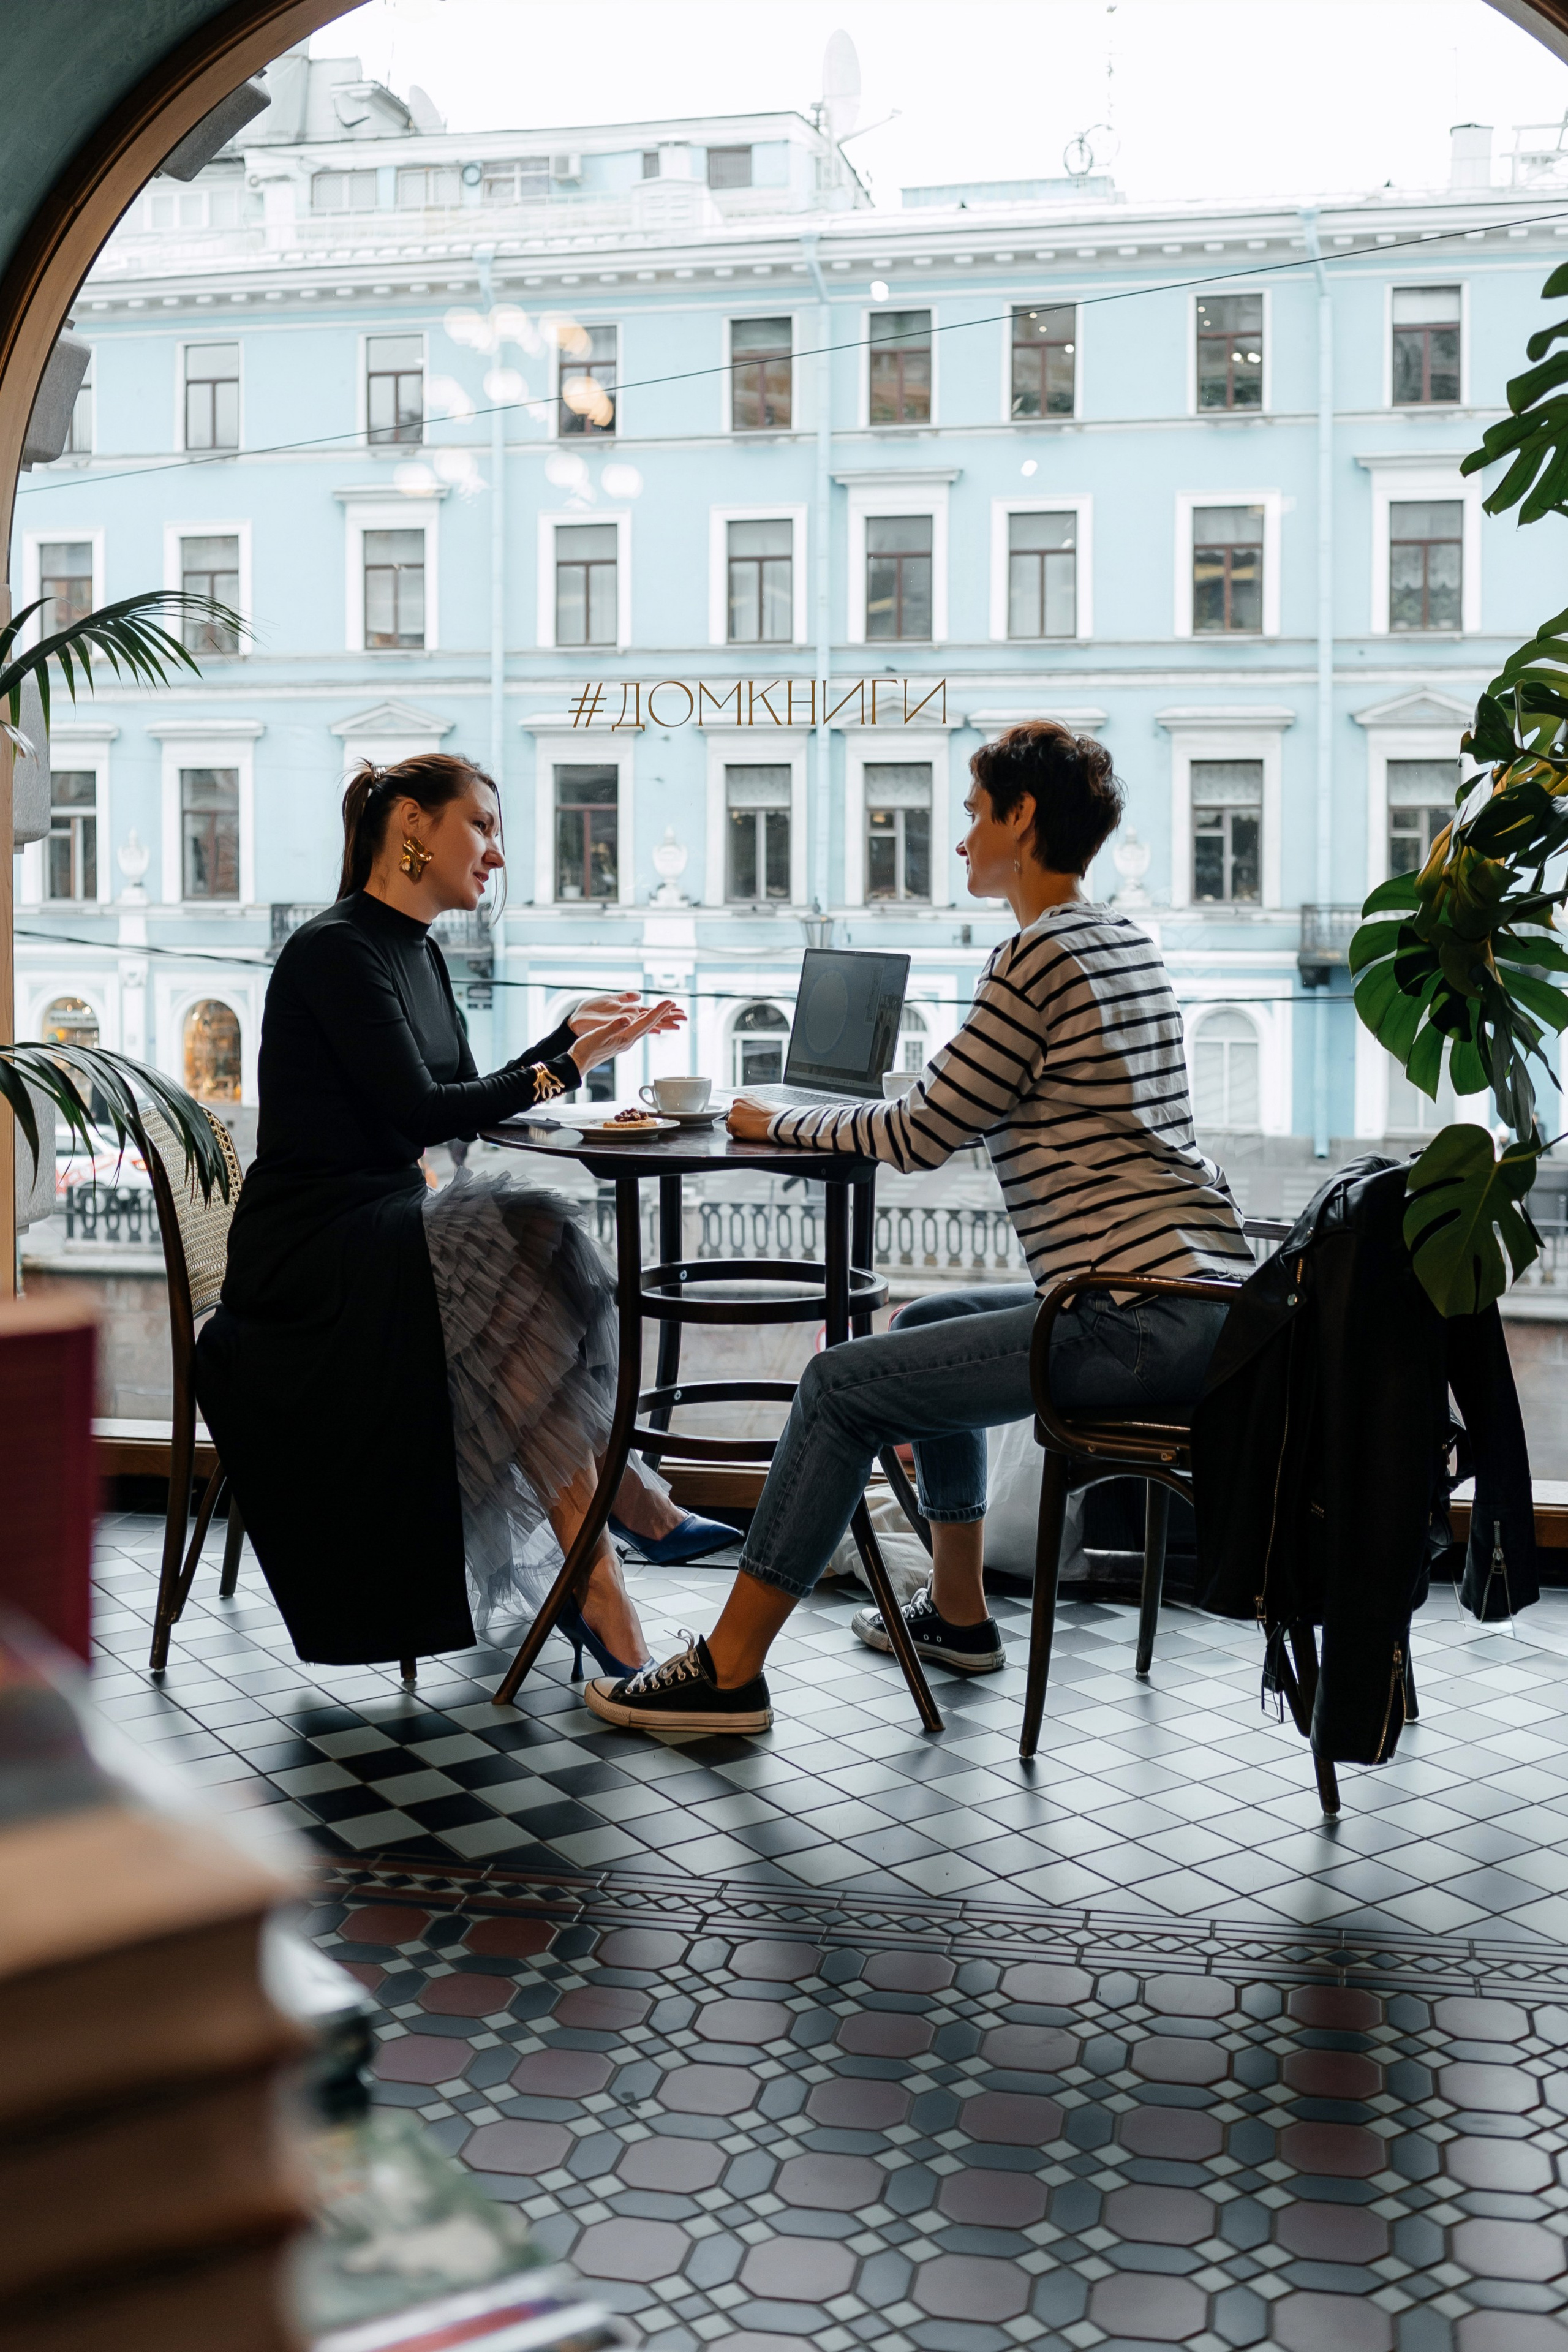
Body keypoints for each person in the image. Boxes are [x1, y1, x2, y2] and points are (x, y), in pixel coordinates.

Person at [584, 720, 1254, 1735]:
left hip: (1120, 1322)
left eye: (977, 815)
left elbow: (925, 1131)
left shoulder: (1034, 956)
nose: (962, 841)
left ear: (1022, 820)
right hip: (1200, 1299)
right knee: (924, 1321)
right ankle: (956, 1612)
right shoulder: (1125, 942)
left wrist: (776, 1119)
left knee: (836, 1386)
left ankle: (728, 1669)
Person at [195, 751, 734, 1684]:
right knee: (528, 1226)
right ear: (411, 824)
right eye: (481, 826)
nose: (494, 854)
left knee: (527, 1242)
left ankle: (597, 1565)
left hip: (386, 1230)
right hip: (312, 1255)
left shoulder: (420, 951)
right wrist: (563, 1065)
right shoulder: (337, 949)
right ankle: (620, 1525)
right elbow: (420, 1114)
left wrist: (570, 1042)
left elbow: (460, 1095)